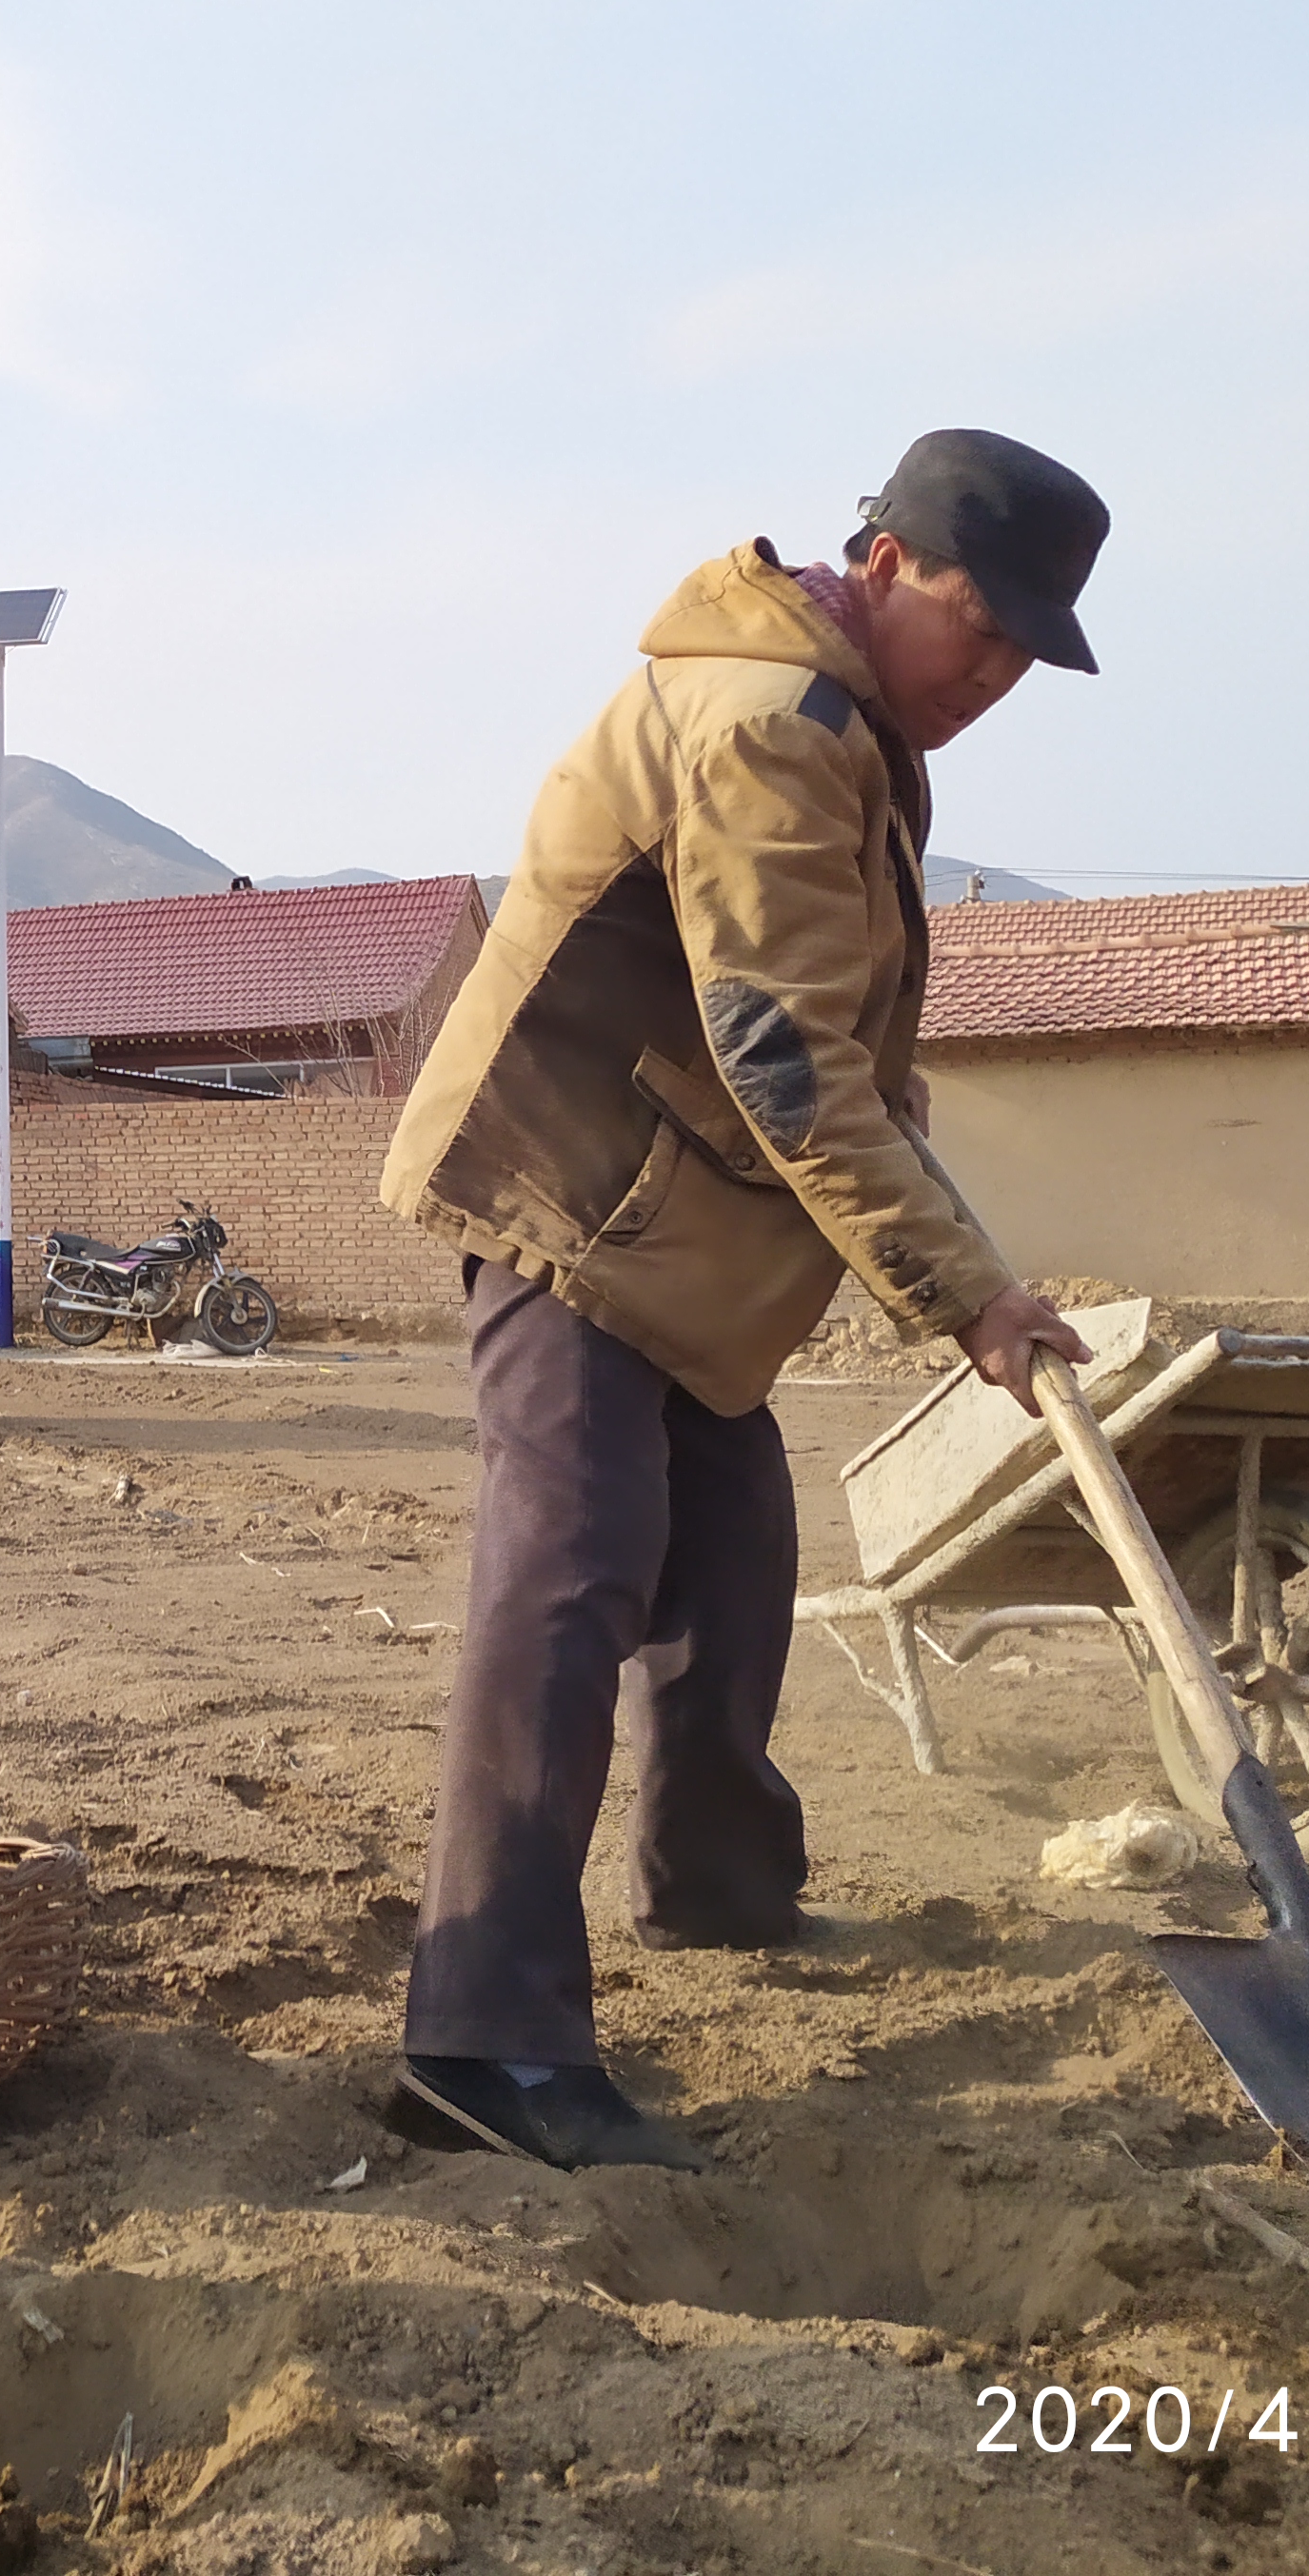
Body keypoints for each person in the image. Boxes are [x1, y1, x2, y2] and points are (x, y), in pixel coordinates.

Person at [376, 427, 1109, 2172]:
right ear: (888, 563)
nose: (996, 679)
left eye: (1027, 658)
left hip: (677, 1220)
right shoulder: (775, 720)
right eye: (983, 631)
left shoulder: (845, 719)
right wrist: (969, 1300)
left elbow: (832, 1039)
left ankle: (716, 1896)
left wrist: (939, 1206)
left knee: (732, 1555)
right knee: (572, 1568)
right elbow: (785, 1062)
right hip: (573, 1194)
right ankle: (482, 2040)